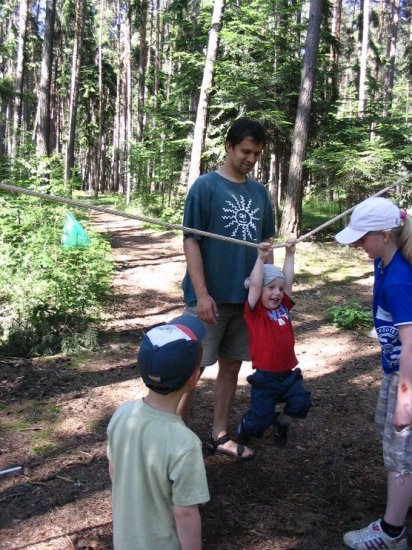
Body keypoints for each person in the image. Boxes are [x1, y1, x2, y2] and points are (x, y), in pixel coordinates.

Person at [179, 117, 276, 460]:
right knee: (192, 368)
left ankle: (219, 435)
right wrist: (202, 294)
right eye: (246, 151)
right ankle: (175, 438)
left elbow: (266, 245)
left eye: (257, 154)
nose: (251, 159)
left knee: (231, 365)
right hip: (209, 299)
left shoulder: (260, 193)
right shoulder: (205, 187)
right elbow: (191, 242)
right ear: (230, 147)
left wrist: (269, 287)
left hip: (246, 299)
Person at [335, 196, 412, 550]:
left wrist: (405, 403)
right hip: (395, 370)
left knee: (400, 454)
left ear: (385, 234)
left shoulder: (398, 276)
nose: (357, 244)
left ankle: (392, 532)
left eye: (363, 237)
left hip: (406, 375)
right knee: (395, 444)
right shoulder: (384, 262)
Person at [107, 315, 210, 550]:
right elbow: (185, 513)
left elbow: (114, 470)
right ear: (194, 379)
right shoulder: (185, 444)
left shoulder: (122, 414)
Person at [236, 240, 311, 447]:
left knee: (302, 402)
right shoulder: (255, 312)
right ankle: (245, 426)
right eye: (271, 288)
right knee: (259, 422)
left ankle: (282, 423)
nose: (277, 293)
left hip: (288, 375)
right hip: (265, 378)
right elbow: (256, 284)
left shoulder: (283, 307)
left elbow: (289, 282)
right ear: (259, 289)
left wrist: (290, 254)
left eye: (279, 289)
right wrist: (261, 258)